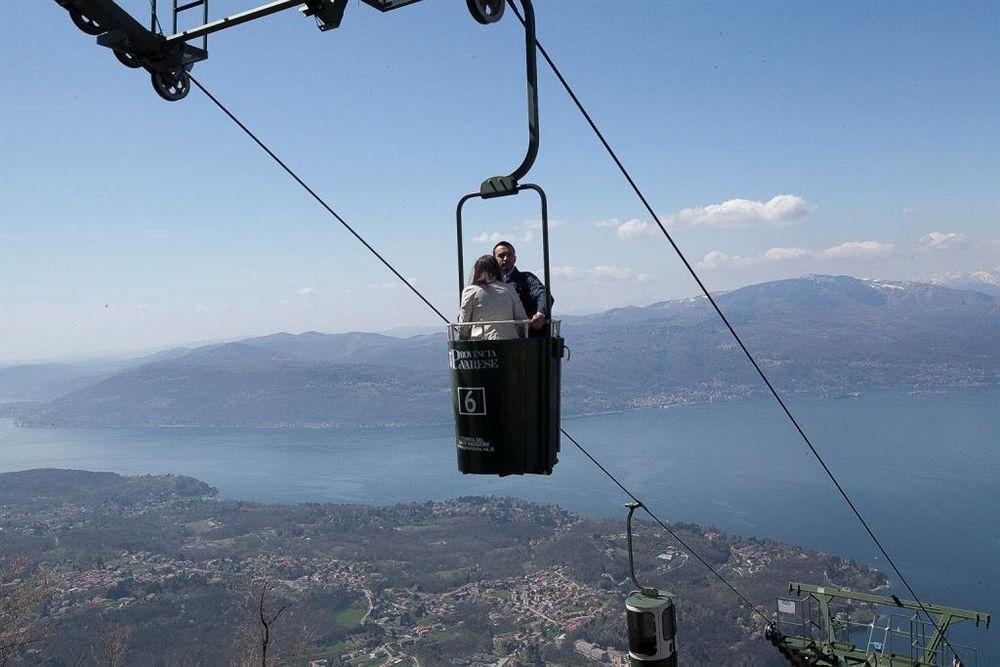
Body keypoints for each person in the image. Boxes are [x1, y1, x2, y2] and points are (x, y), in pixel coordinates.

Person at [457, 255, 529, 340]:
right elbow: (521, 318)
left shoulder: (470, 290)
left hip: (481, 342)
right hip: (509, 341)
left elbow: (464, 322)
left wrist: (464, 337)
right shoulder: (509, 289)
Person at [492, 241, 552, 337]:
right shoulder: (488, 283)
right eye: (501, 255)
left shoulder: (526, 278)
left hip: (523, 338)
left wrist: (540, 314)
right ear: (494, 260)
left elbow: (542, 293)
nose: (506, 258)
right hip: (495, 337)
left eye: (509, 255)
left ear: (515, 259)